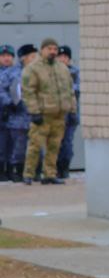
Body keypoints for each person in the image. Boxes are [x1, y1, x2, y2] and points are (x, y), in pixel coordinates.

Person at [22, 37, 77, 184]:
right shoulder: (33, 68)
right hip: (42, 114)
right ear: (42, 49)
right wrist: (34, 111)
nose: (53, 52)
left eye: (55, 49)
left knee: (54, 145)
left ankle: (49, 174)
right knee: (35, 145)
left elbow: (70, 90)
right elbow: (28, 91)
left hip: (59, 115)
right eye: (49, 49)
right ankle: (28, 174)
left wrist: (72, 109)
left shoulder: (62, 68)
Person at [6, 44, 37, 182]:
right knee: (19, 148)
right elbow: (3, 90)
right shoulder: (12, 73)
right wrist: (10, 102)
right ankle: (18, 172)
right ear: (23, 58)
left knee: (37, 147)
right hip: (18, 117)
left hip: (36, 116)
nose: (34, 58)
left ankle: (34, 172)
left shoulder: (39, 71)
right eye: (32, 56)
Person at [55, 45, 80, 180]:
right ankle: (57, 168)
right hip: (57, 114)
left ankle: (65, 168)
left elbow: (78, 88)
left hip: (71, 115)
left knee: (68, 143)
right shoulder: (54, 73)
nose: (63, 59)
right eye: (60, 56)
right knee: (57, 142)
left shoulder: (75, 72)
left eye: (65, 57)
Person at [0, 44, 18, 181]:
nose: (6, 58)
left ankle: (11, 170)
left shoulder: (17, 72)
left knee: (12, 143)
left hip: (13, 112)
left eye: (9, 56)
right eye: (3, 55)